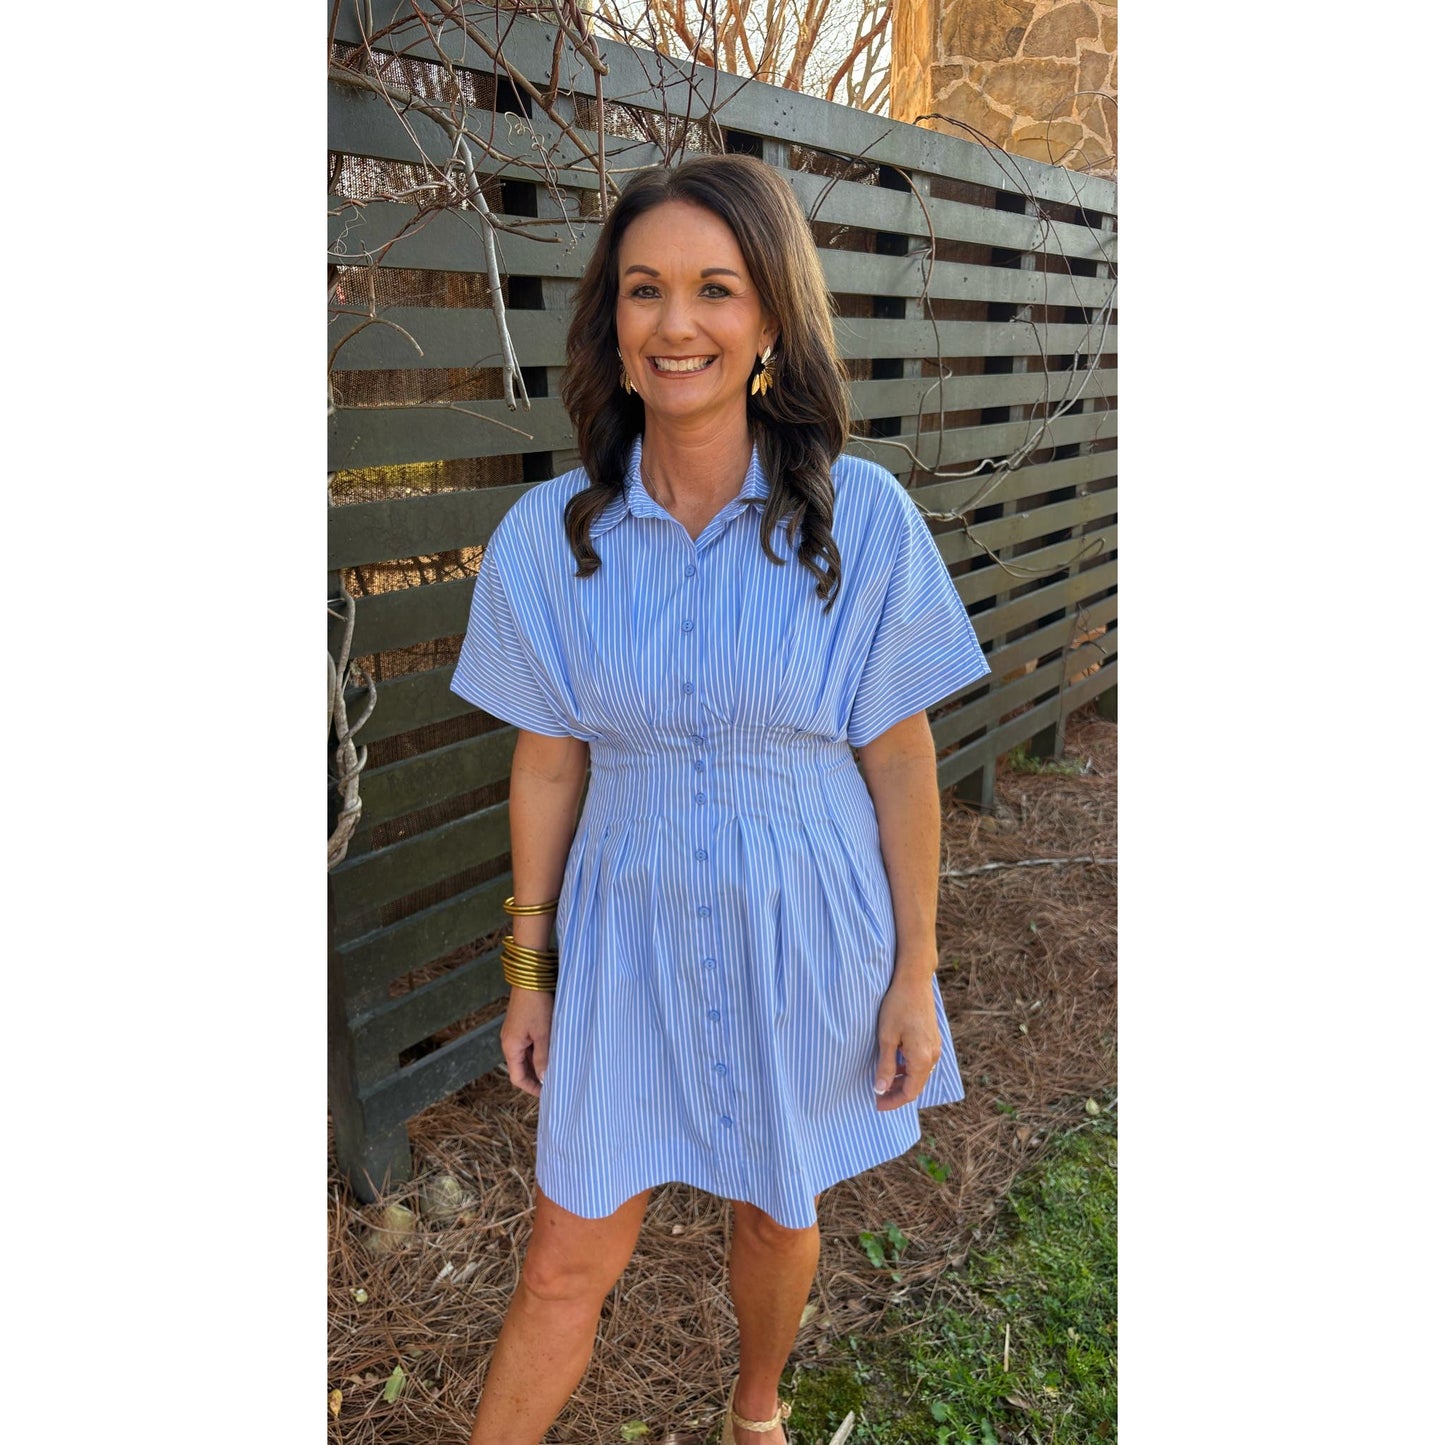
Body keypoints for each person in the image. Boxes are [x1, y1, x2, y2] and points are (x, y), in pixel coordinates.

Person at [450, 153, 989, 1445]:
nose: (675, 322)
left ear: (766, 321)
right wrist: (529, 969)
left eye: (713, 288)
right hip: (624, 945)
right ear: (612, 323)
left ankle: (756, 1410)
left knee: (773, 1207)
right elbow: (548, 760)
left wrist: (914, 969)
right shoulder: (546, 540)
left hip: (804, 930)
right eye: (644, 291)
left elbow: (901, 757)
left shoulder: (858, 519)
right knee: (563, 1259)